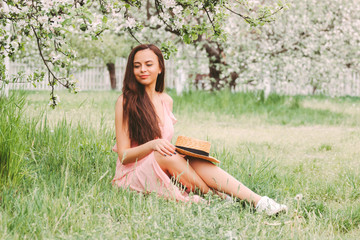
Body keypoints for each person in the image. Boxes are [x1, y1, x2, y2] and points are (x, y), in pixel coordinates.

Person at [112, 44, 288, 216]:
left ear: (160, 68)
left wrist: (180, 152)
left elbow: (164, 148)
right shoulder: (125, 102)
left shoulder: (166, 100)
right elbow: (124, 156)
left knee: (192, 159)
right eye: (137, 66)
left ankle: (259, 202)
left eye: (148, 64)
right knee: (165, 154)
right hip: (132, 174)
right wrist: (153, 145)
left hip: (161, 163)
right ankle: (217, 197)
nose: (142, 69)